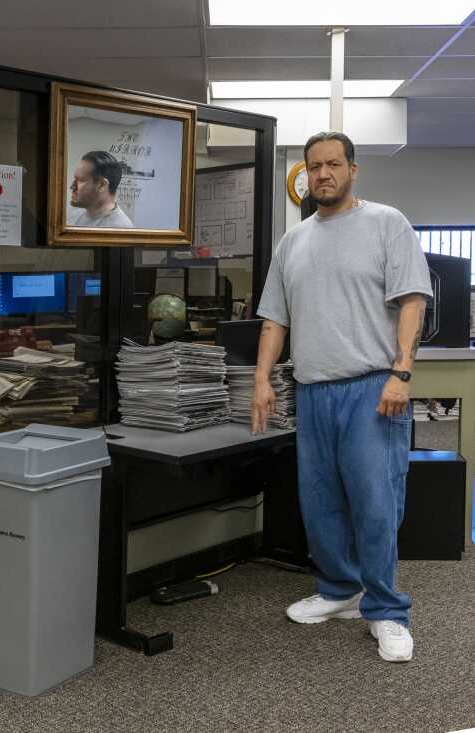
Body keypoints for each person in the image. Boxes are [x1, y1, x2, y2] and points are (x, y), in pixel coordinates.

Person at [253, 131, 431, 663]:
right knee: (321, 501)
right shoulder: (293, 242)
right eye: (314, 166)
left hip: (372, 388)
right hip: (312, 390)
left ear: (353, 170)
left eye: (333, 164)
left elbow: (412, 301)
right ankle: (339, 590)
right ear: (304, 174)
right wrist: (261, 380)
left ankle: (387, 610)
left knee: (376, 503)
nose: (323, 174)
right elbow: (273, 320)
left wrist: (402, 371)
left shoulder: (386, 224)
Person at [67, 150, 134, 228]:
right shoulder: (74, 216)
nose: (72, 186)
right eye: (75, 179)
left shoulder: (119, 229)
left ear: (102, 185)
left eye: (81, 180)